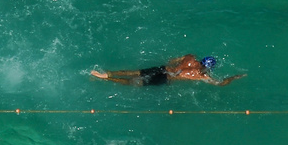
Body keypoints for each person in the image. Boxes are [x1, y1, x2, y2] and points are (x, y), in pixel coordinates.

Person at [91, 54, 244, 86]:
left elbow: (173, 61)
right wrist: (233, 78)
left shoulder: (190, 58)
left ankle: (107, 73)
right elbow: (220, 83)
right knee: (135, 83)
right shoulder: (199, 75)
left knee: (137, 72)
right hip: (165, 78)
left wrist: (173, 67)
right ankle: (107, 78)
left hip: (163, 69)